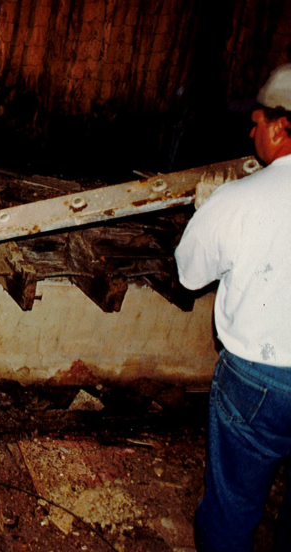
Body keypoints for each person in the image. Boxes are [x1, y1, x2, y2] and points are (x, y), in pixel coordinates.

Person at [175, 64, 291, 552]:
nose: (251, 129)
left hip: (259, 381)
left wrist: (207, 213)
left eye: (258, 119)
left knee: (234, 507)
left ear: (281, 126)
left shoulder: (240, 199)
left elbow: (188, 273)